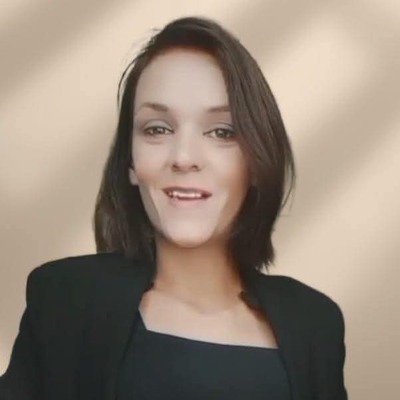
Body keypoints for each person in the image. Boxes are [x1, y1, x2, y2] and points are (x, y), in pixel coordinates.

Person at [0, 16, 348, 400]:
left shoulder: (316, 324)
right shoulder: (65, 300)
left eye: (222, 131)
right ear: (130, 163)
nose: (183, 157)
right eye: (157, 129)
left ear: (255, 161)